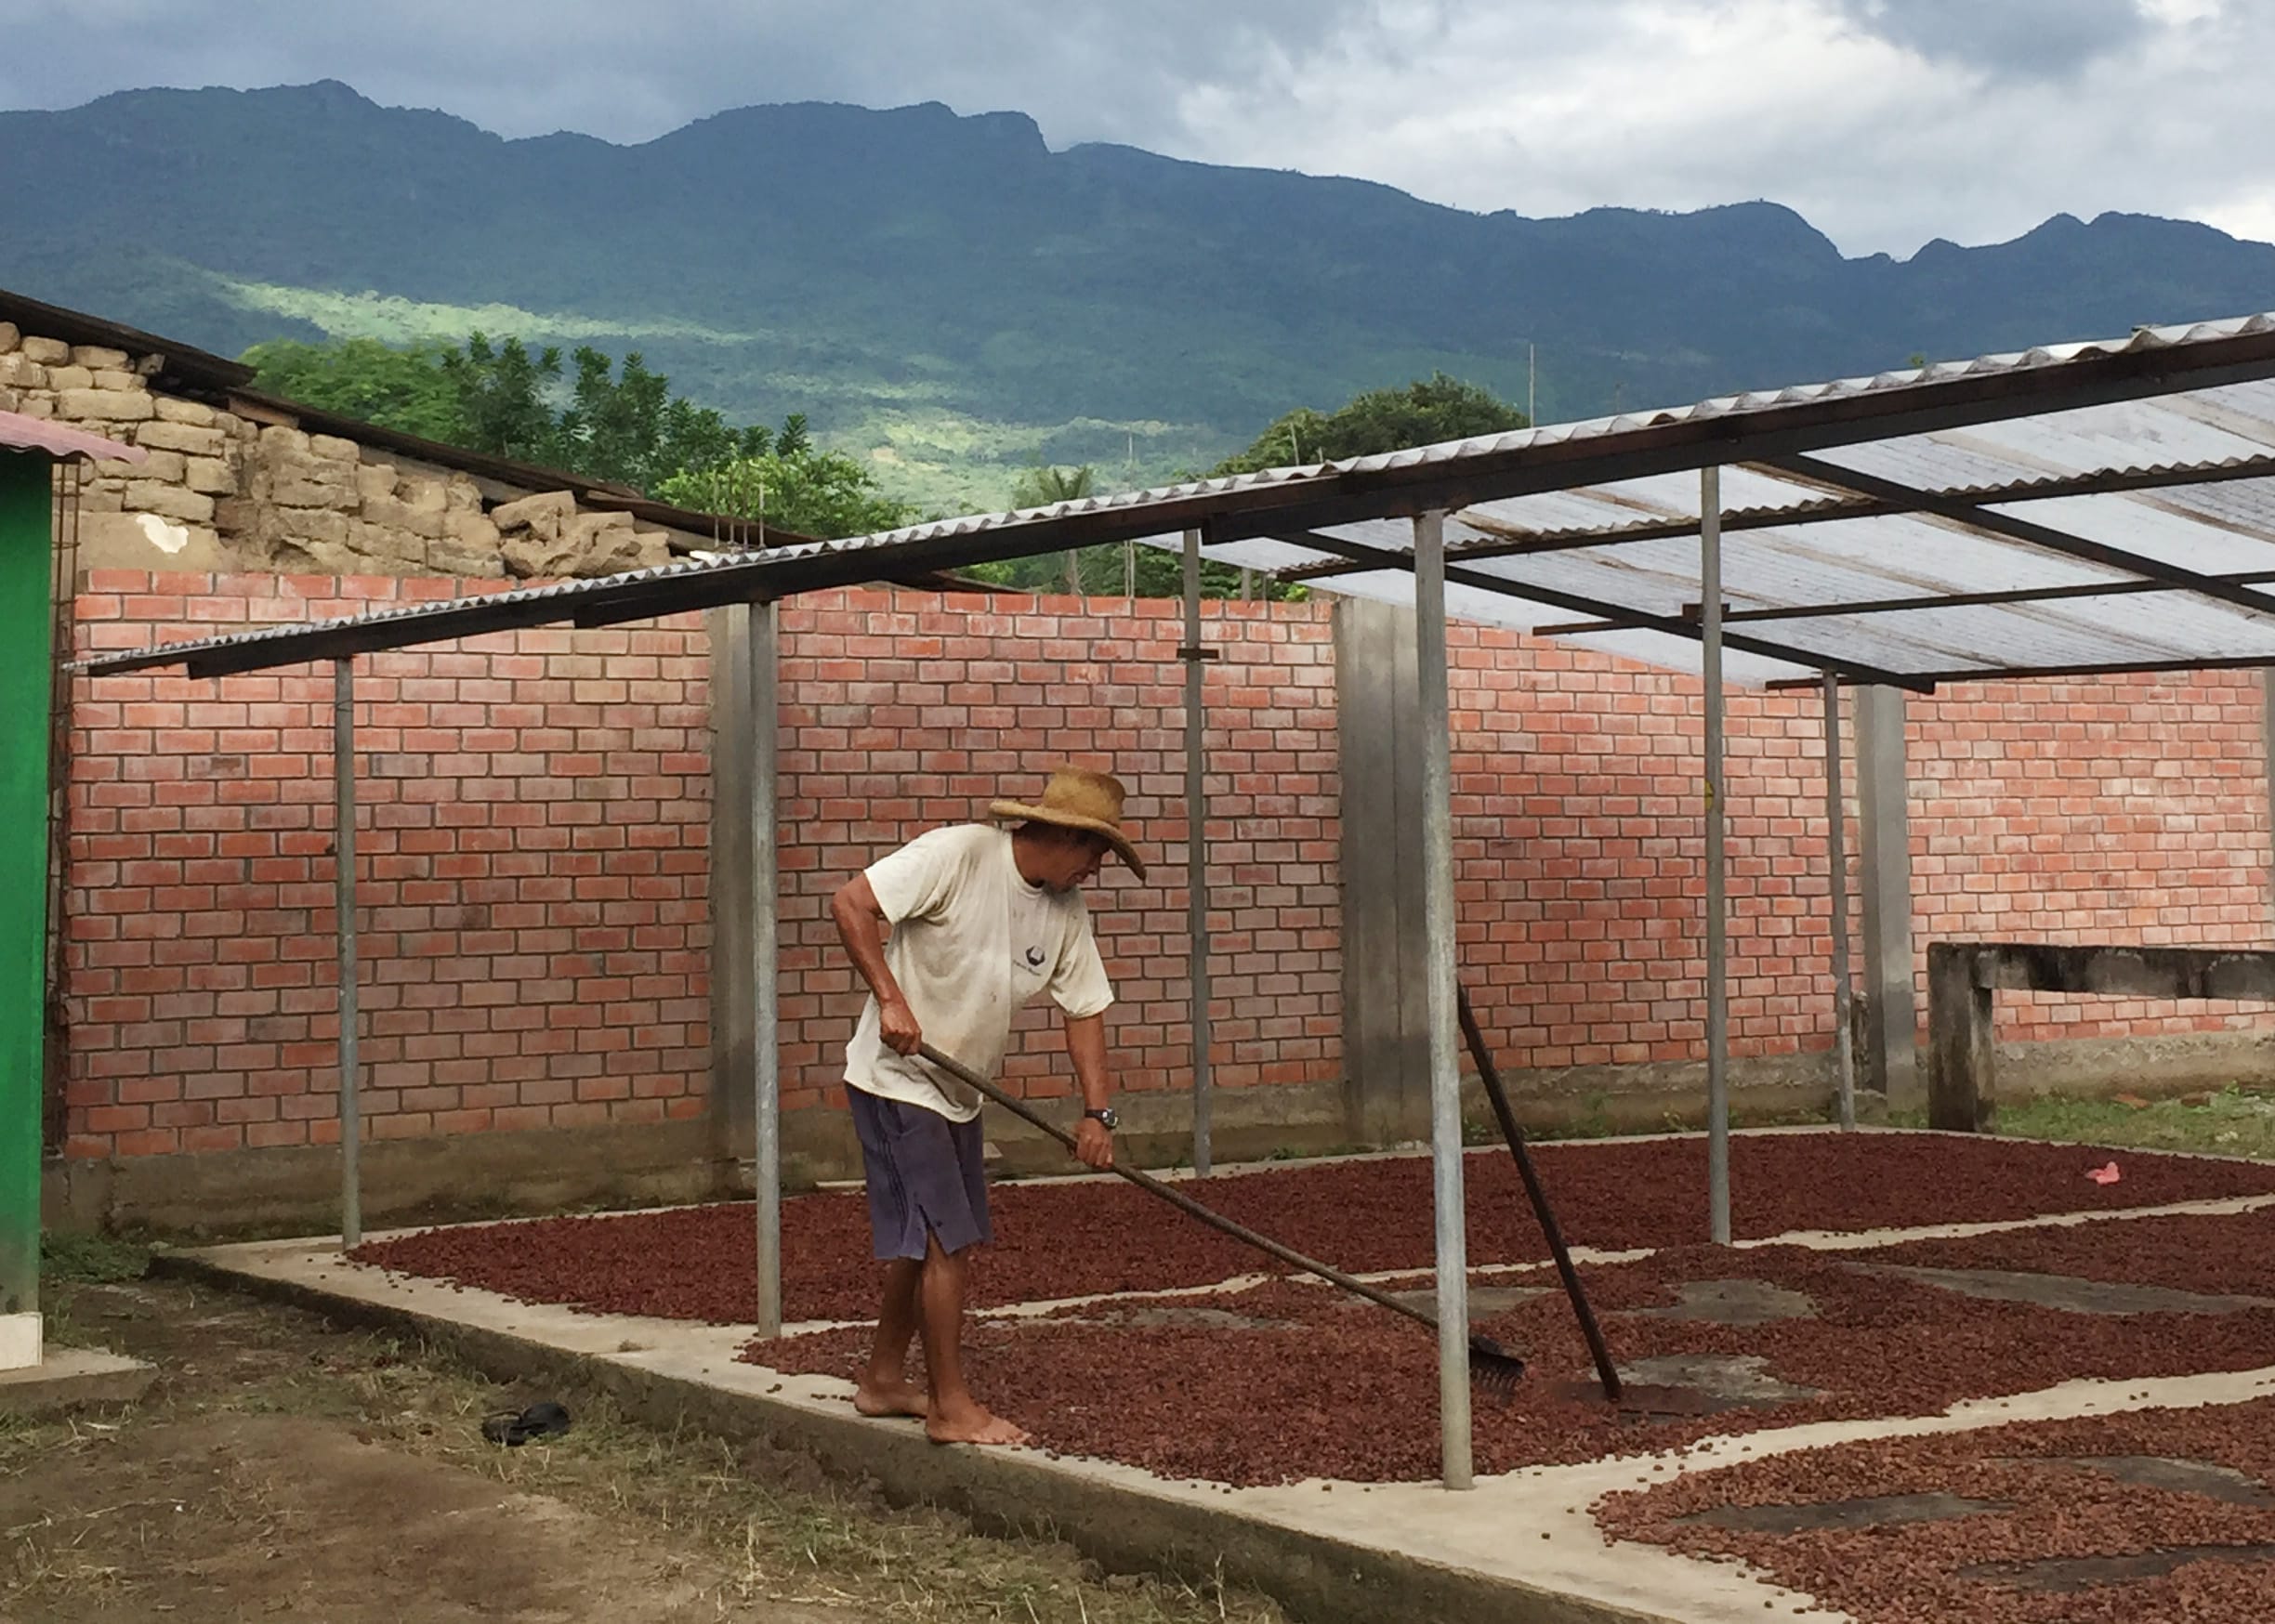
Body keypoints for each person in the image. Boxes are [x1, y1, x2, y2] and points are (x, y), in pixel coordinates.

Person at [828, 764, 1143, 1446]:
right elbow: (851, 903)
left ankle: (883, 1379)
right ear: (1065, 837)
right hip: (896, 1079)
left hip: (958, 1093)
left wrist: (1098, 1114)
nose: (1096, 871)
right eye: (1097, 854)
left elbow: (1085, 1009)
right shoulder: (960, 855)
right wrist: (890, 999)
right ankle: (951, 1408)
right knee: (949, 1239)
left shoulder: (1064, 910)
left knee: (927, 1243)